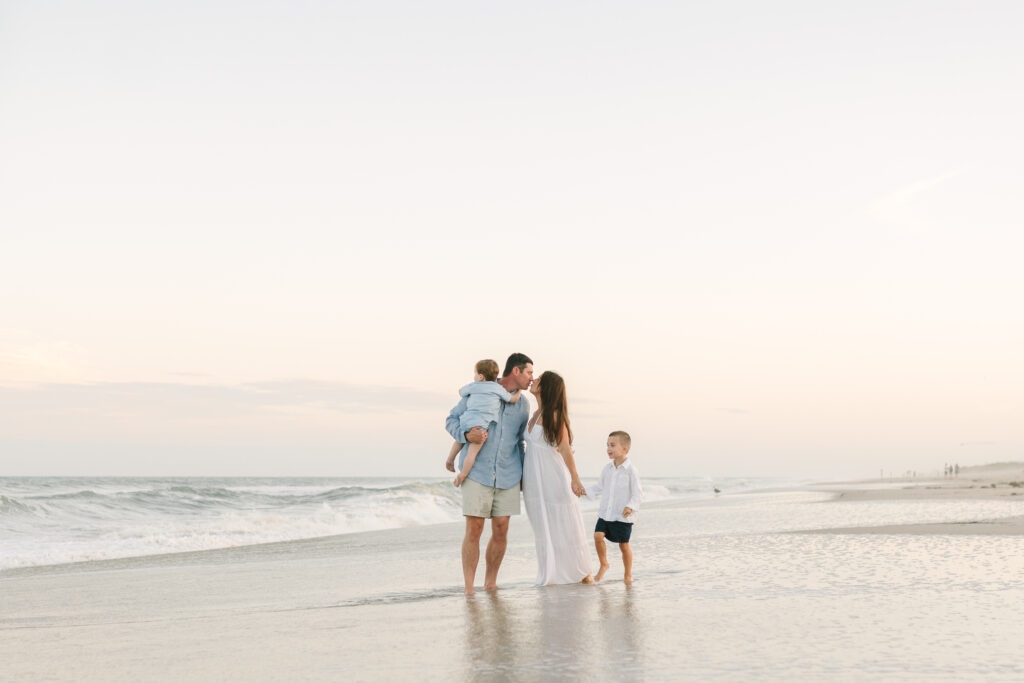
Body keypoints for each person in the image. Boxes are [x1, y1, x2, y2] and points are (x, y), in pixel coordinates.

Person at [445, 353, 534, 595]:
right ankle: (468, 587)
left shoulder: (523, 405)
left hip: (508, 473)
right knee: (474, 528)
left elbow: (520, 443)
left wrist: (524, 476)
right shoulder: (479, 391)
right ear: (515, 371)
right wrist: (465, 436)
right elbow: (451, 419)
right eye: (529, 373)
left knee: (502, 528)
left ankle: (491, 583)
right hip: (477, 472)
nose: (531, 379)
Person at [521, 370, 594, 585]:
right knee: (543, 527)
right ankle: (552, 573)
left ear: (547, 387)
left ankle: (581, 574)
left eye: (539, 379)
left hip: (554, 479)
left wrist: (575, 478)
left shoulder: (554, 415)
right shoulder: (534, 414)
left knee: (564, 525)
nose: (533, 380)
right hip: (535, 481)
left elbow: (564, 449)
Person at [446, 359, 522, 487]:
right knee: (472, 453)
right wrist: (519, 391)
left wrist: (470, 389)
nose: (474, 377)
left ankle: (450, 459)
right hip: (481, 425)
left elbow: (460, 391)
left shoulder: (473, 386)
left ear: (481, 376)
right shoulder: (498, 389)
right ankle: (463, 474)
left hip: (466, 420)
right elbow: (513, 399)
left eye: (475, 374)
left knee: (459, 440)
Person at [588, 430, 643, 584]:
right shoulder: (607, 468)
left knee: (624, 546)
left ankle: (627, 574)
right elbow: (599, 487)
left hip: (622, 515)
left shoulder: (631, 471)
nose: (608, 448)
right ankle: (604, 564)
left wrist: (630, 507)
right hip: (606, 513)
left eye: (612, 445)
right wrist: (584, 491)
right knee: (597, 536)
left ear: (625, 449)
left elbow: (638, 494)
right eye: (607, 445)